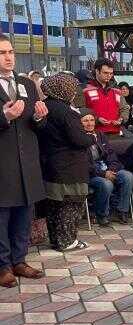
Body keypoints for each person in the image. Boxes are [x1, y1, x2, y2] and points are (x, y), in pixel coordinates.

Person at [0, 34, 49, 286]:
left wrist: (40, 118)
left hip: (27, 161)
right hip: (3, 163)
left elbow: (35, 124)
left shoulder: (27, 84)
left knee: (24, 212)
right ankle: (3, 266)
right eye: (2, 53)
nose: (9, 57)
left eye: (11, 52)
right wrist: (4, 116)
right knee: (2, 214)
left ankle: (19, 260)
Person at [39, 73, 95, 252]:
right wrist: (91, 138)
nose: (74, 91)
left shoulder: (44, 107)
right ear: (64, 89)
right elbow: (78, 140)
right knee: (70, 205)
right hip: (70, 167)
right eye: (71, 88)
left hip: (50, 165)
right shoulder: (67, 112)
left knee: (53, 205)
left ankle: (55, 239)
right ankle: (68, 241)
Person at [81, 109, 133, 226]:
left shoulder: (100, 135)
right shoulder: (79, 139)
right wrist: (103, 174)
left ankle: (122, 211)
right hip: (92, 174)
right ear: (79, 123)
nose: (89, 123)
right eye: (85, 121)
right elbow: (84, 164)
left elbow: (111, 155)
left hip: (107, 168)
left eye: (91, 120)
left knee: (127, 176)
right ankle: (102, 214)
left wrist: (112, 169)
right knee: (106, 184)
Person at [83, 59, 129, 137]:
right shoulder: (86, 90)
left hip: (116, 134)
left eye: (111, 73)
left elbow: (124, 108)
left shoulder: (117, 91)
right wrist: (97, 119)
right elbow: (80, 112)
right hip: (94, 135)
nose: (109, 76)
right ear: (97, 71)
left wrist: (121, 119)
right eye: (105, 73)